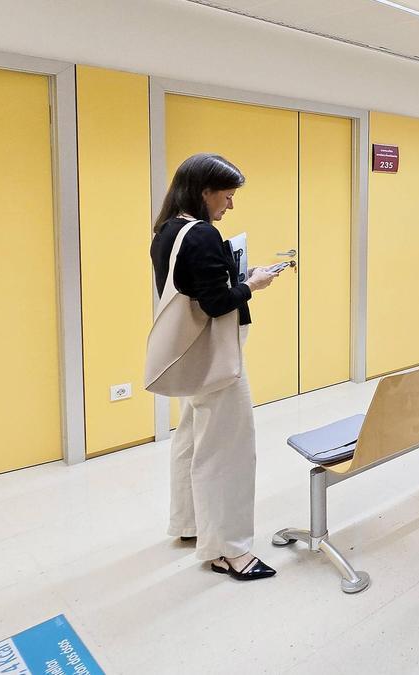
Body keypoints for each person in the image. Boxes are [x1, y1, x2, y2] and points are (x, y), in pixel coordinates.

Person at [150, 153, 285, 581]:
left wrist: (240, 277)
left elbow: (196, 288)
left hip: (195, 358)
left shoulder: (166, 230)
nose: (230, 206)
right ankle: (228, 550)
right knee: (228, 451)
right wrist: (252, 284)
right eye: (227, 196)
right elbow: (215, 302)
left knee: (191, 439)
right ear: (204, 192)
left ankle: (189, 524)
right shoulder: (202, 235)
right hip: (218, 360)